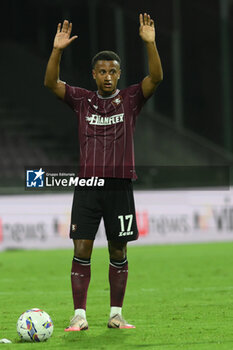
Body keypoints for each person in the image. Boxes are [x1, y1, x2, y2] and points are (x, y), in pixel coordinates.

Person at [44, 13, 163, 331]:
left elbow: (156, 78)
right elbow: (50, 84)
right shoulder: (83, 101)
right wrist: (57, 51)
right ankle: (79, 316)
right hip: (88, 186)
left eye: (113, 71)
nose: (108, 76)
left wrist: (150, 44)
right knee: (81, 247)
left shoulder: (131, 99)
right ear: (94, 75)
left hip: (120, 186)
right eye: (102, 72)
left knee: (118, 248)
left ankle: (115, 314)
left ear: (120, 74)